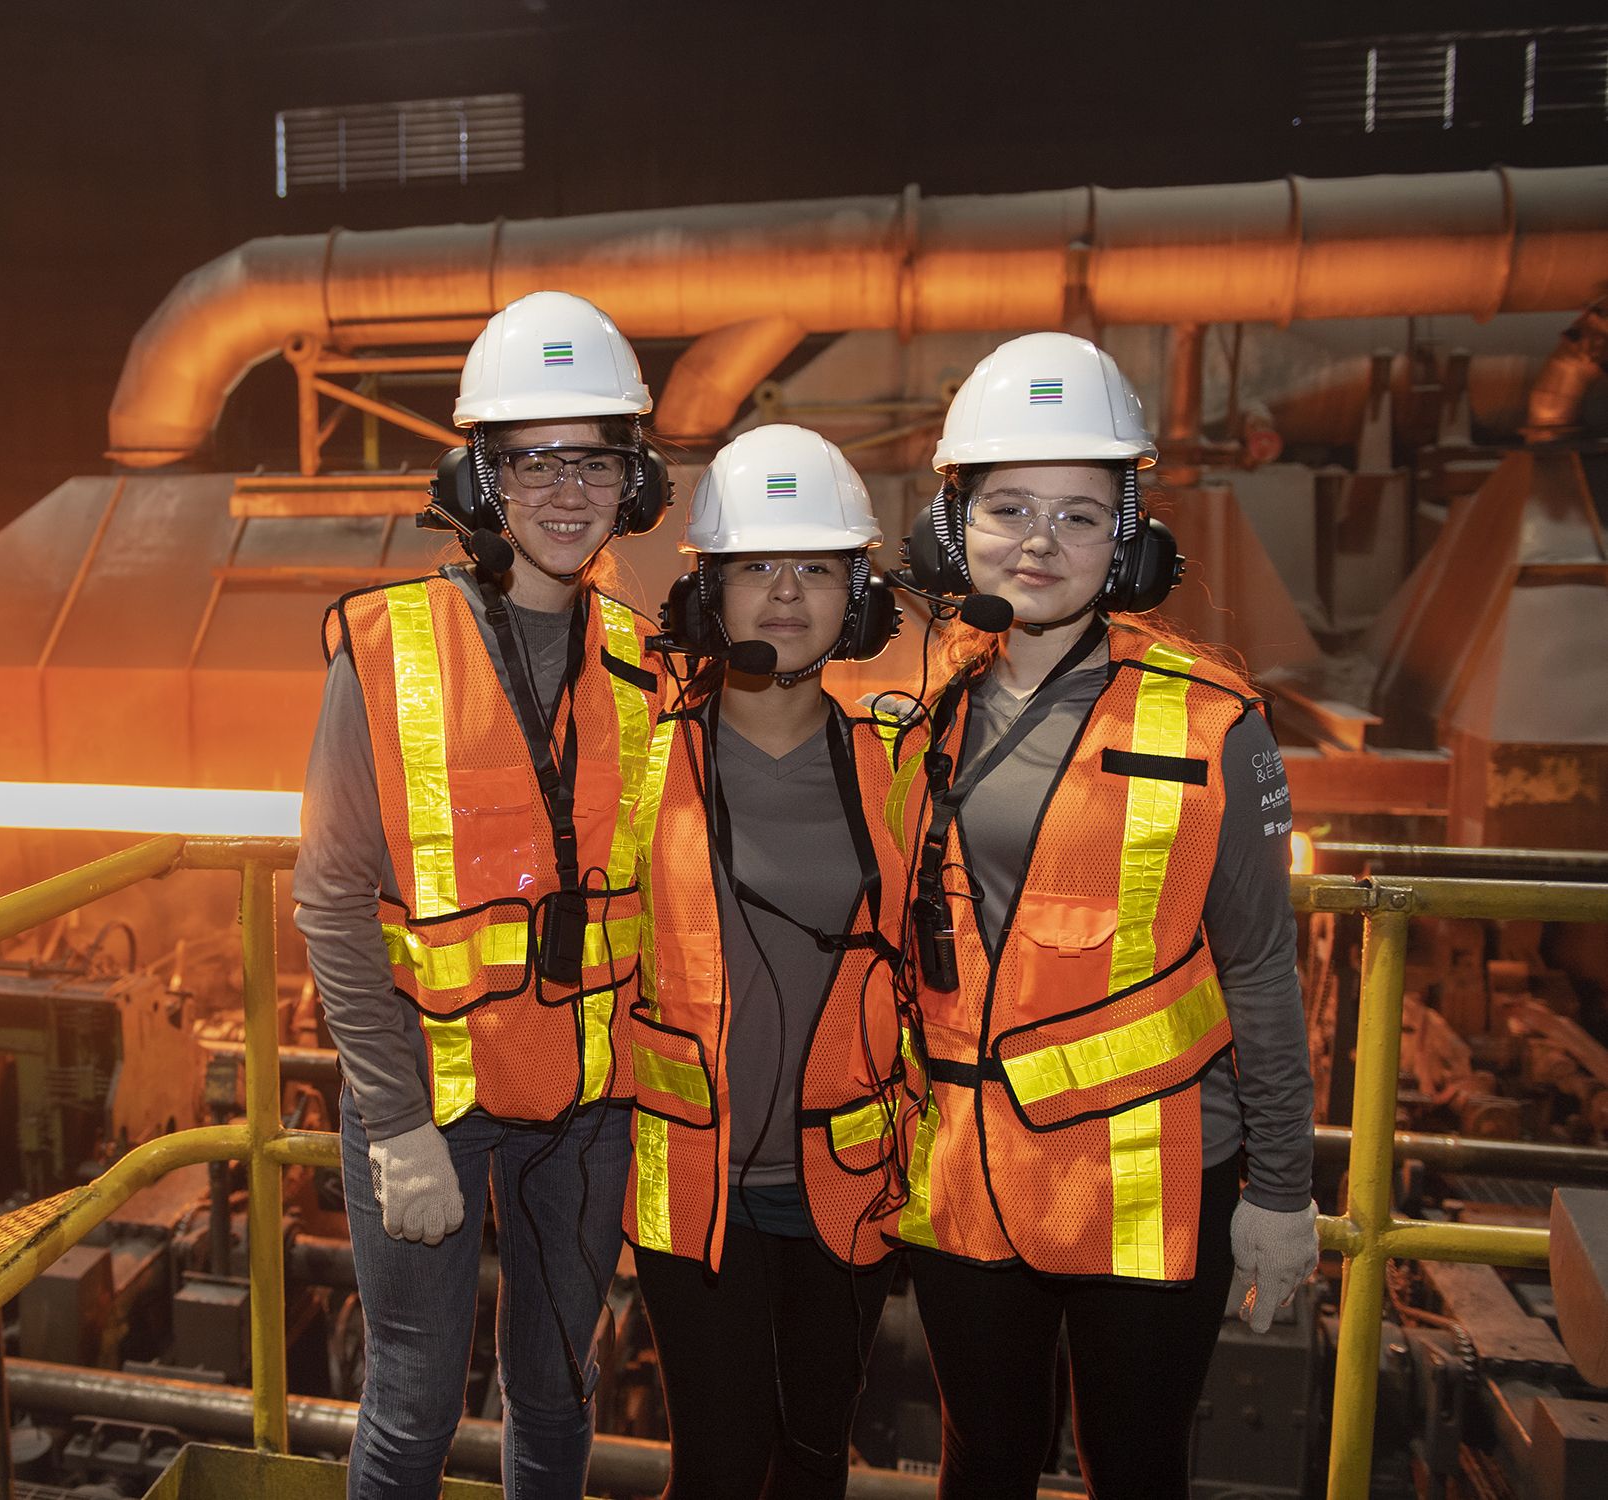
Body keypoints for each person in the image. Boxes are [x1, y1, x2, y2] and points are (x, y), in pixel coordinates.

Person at [886, 331, 1320, 1499]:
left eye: (1080, 515)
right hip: (967, 1168)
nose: (1039, 541)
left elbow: (1263, 975)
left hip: (1153, 1171)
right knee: (983, 1462)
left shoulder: (1212, 722)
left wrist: (1282, 1192)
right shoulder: (919, 713)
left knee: (1136, 1470)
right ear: (951, 530)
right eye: (1008, 507)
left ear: (1130, 540)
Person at [292, 290, 671, 1500]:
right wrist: (397, 1125)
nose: (567, 493)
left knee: (558, 1398)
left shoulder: (646, 661)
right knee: (408, 1412)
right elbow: (334, 898)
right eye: (532, 461)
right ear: (479, 479)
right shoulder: (391, 649)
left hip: (587, 1099)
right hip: (432, 1097)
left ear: (635, 484)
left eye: (595, 462)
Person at [625, 423, 913, 1499]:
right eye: (754, 566)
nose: (785, 595)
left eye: (818, 568)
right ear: (708, 597)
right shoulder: (647, 758)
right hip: (698, 1188)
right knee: (715, 1461)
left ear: (861, 601)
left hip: (848, 1182)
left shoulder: (900, 764)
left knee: (813, 1461)